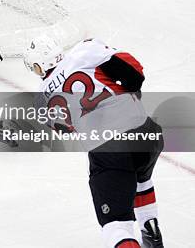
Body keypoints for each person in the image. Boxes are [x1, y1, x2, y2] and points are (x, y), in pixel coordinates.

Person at [24, 36, 164, 248]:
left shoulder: (40, 100)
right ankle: (151, 232)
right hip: (146, 133)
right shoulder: (85, 50)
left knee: (116, 226)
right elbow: (133, 71)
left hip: (109, 149)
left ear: (38, 66)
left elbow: (66, 130)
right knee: (140, 178)